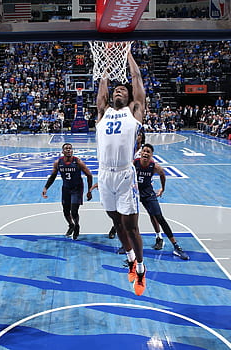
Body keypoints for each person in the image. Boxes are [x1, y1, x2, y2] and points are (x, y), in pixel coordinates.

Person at [95, 47, 146, 296]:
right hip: (104, 174)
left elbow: (136, 79)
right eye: (116, 89)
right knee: (116, 221)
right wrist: (106, 62)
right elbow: (103, 87)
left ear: (128, 98)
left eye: (122, 90)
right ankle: (130, 260)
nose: (118, 91)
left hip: (126, 175)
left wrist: (125, 52)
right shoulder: (103, 113)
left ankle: (142, 269)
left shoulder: (134, 112)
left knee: (130, 225)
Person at [134, 143, 189, 260]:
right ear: (141, 152)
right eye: (144, 151)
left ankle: (176, 246)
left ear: (151, 155)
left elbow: (162, 175)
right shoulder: (135, 163)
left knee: (159, 218)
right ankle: (126, 245)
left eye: (148, 152)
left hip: (148, 194)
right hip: (134, 192)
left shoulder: (155, 167)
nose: (145, 153)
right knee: (127, 217)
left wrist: (162, 188)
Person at [42, 143, 92, 240]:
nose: (68, 150)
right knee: (65, 211)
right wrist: (45, 188)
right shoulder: (58, 162)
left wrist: (89, 190)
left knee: (74, 211)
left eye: (70, 148)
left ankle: (77, 225)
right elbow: (53, 176)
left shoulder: (78, 162)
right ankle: (71, 225)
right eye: (66, 148)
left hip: (77, 189)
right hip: (66, 189)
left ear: (72, 151)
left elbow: (89, 175)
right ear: (62, 151)